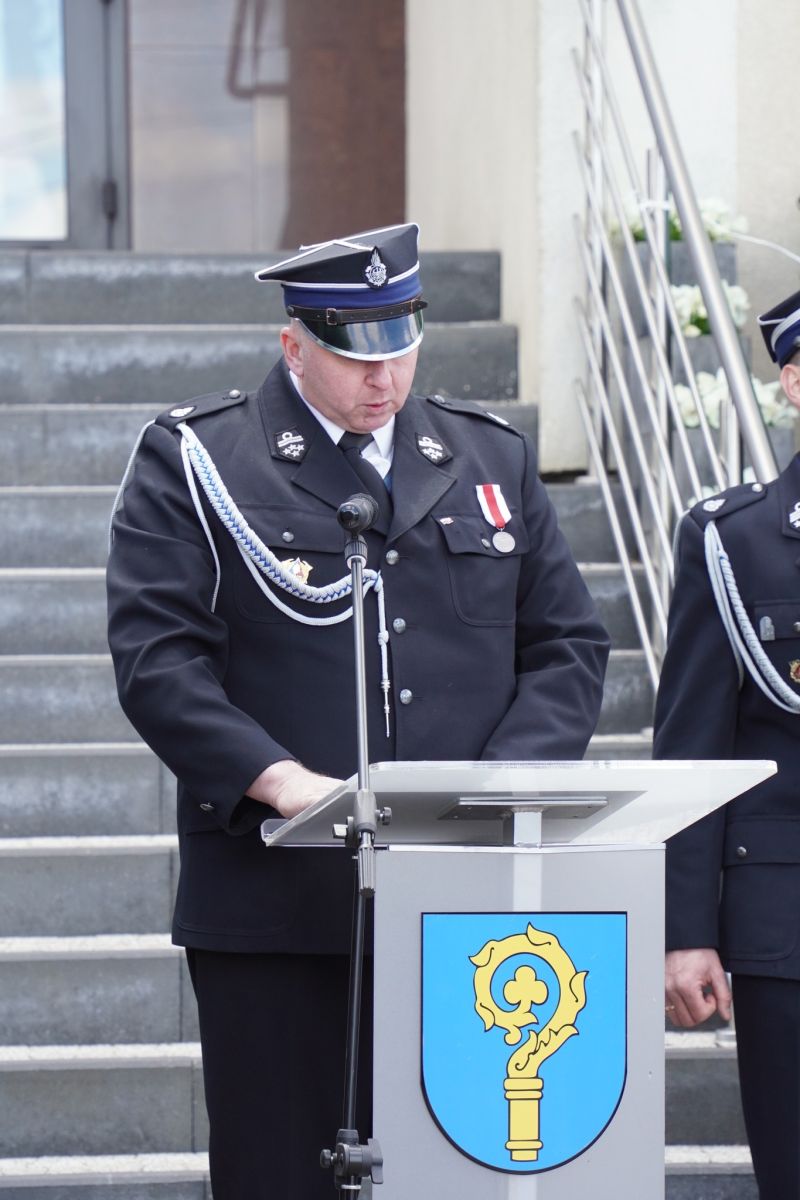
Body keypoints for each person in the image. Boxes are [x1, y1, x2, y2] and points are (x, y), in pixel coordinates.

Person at [106, 222, 610, 1200]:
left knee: (463, 1176)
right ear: (294, 345)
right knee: (280, 1174)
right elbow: (159, 660)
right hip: (280, 905)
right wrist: (280, 780)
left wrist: (492, 788)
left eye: (401, 343)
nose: (384, 376)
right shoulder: (201, 459)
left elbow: (566, 647)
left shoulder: (487, 456)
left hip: (462, 902)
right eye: (354, 352)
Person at [655, 286, 800, 1199]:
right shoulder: (734, 541)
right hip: (786, 923)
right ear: (794, 382)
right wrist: (685, 934)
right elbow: (692, 748)